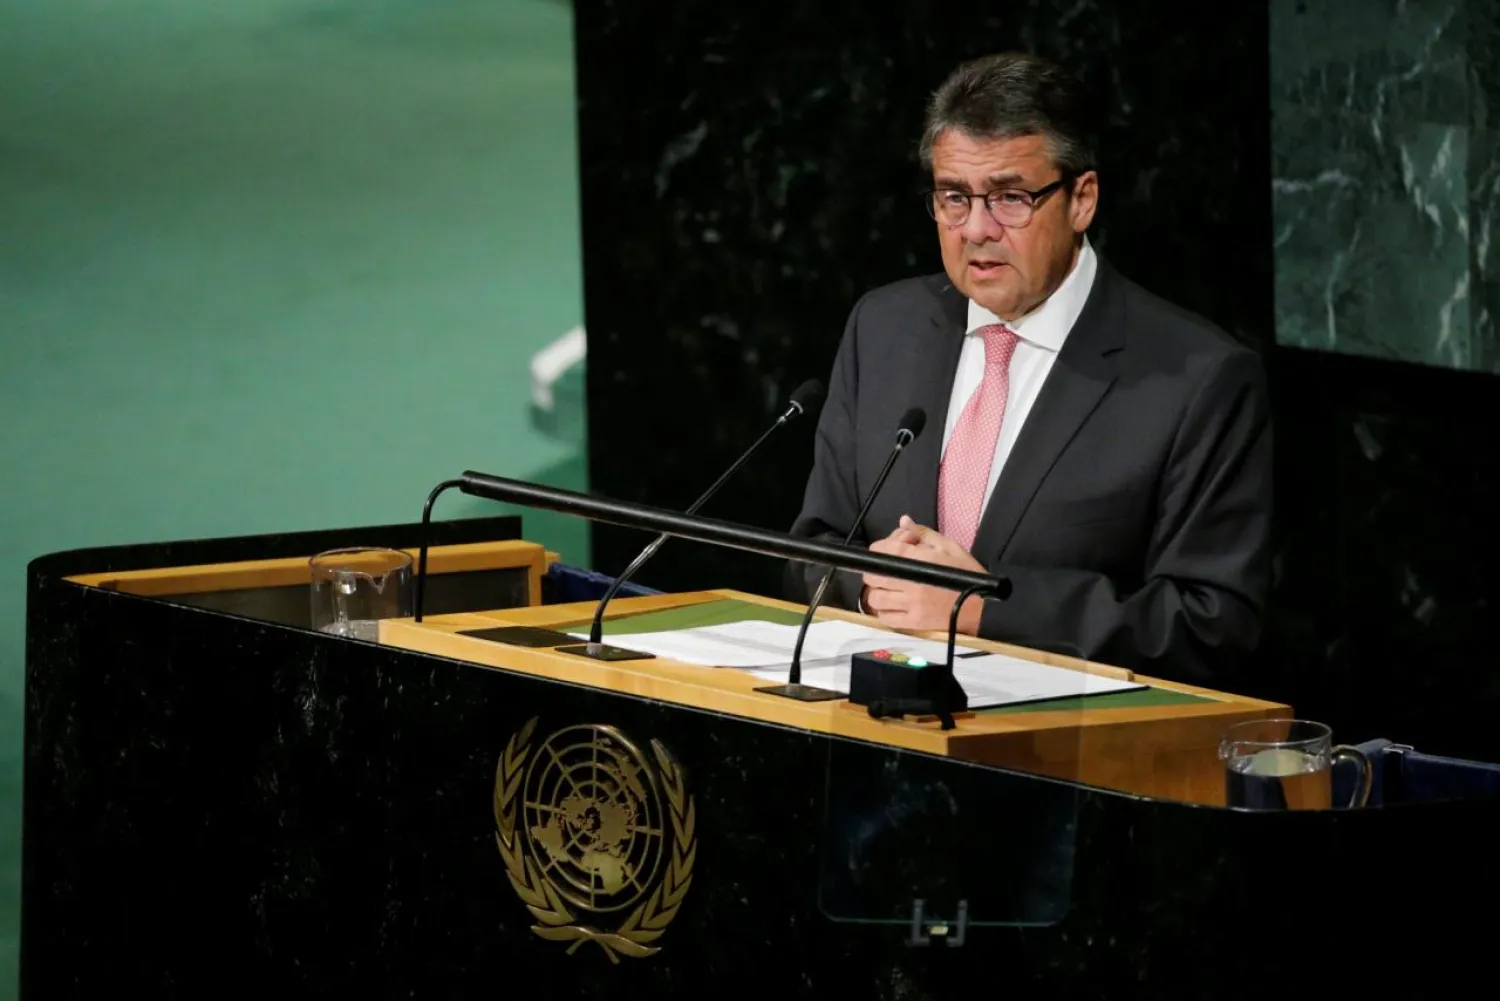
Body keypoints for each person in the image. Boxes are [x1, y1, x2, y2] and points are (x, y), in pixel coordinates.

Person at [787, 51, 1272, 684]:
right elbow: (813, 545)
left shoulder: (1197, 378)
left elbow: (1212, 622)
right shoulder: (884, 327)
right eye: (954, 198)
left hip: (1073, 760)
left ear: (1082, 200)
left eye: (1011, 198)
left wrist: (982, 607)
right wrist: (870, 587)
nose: (977, 230)